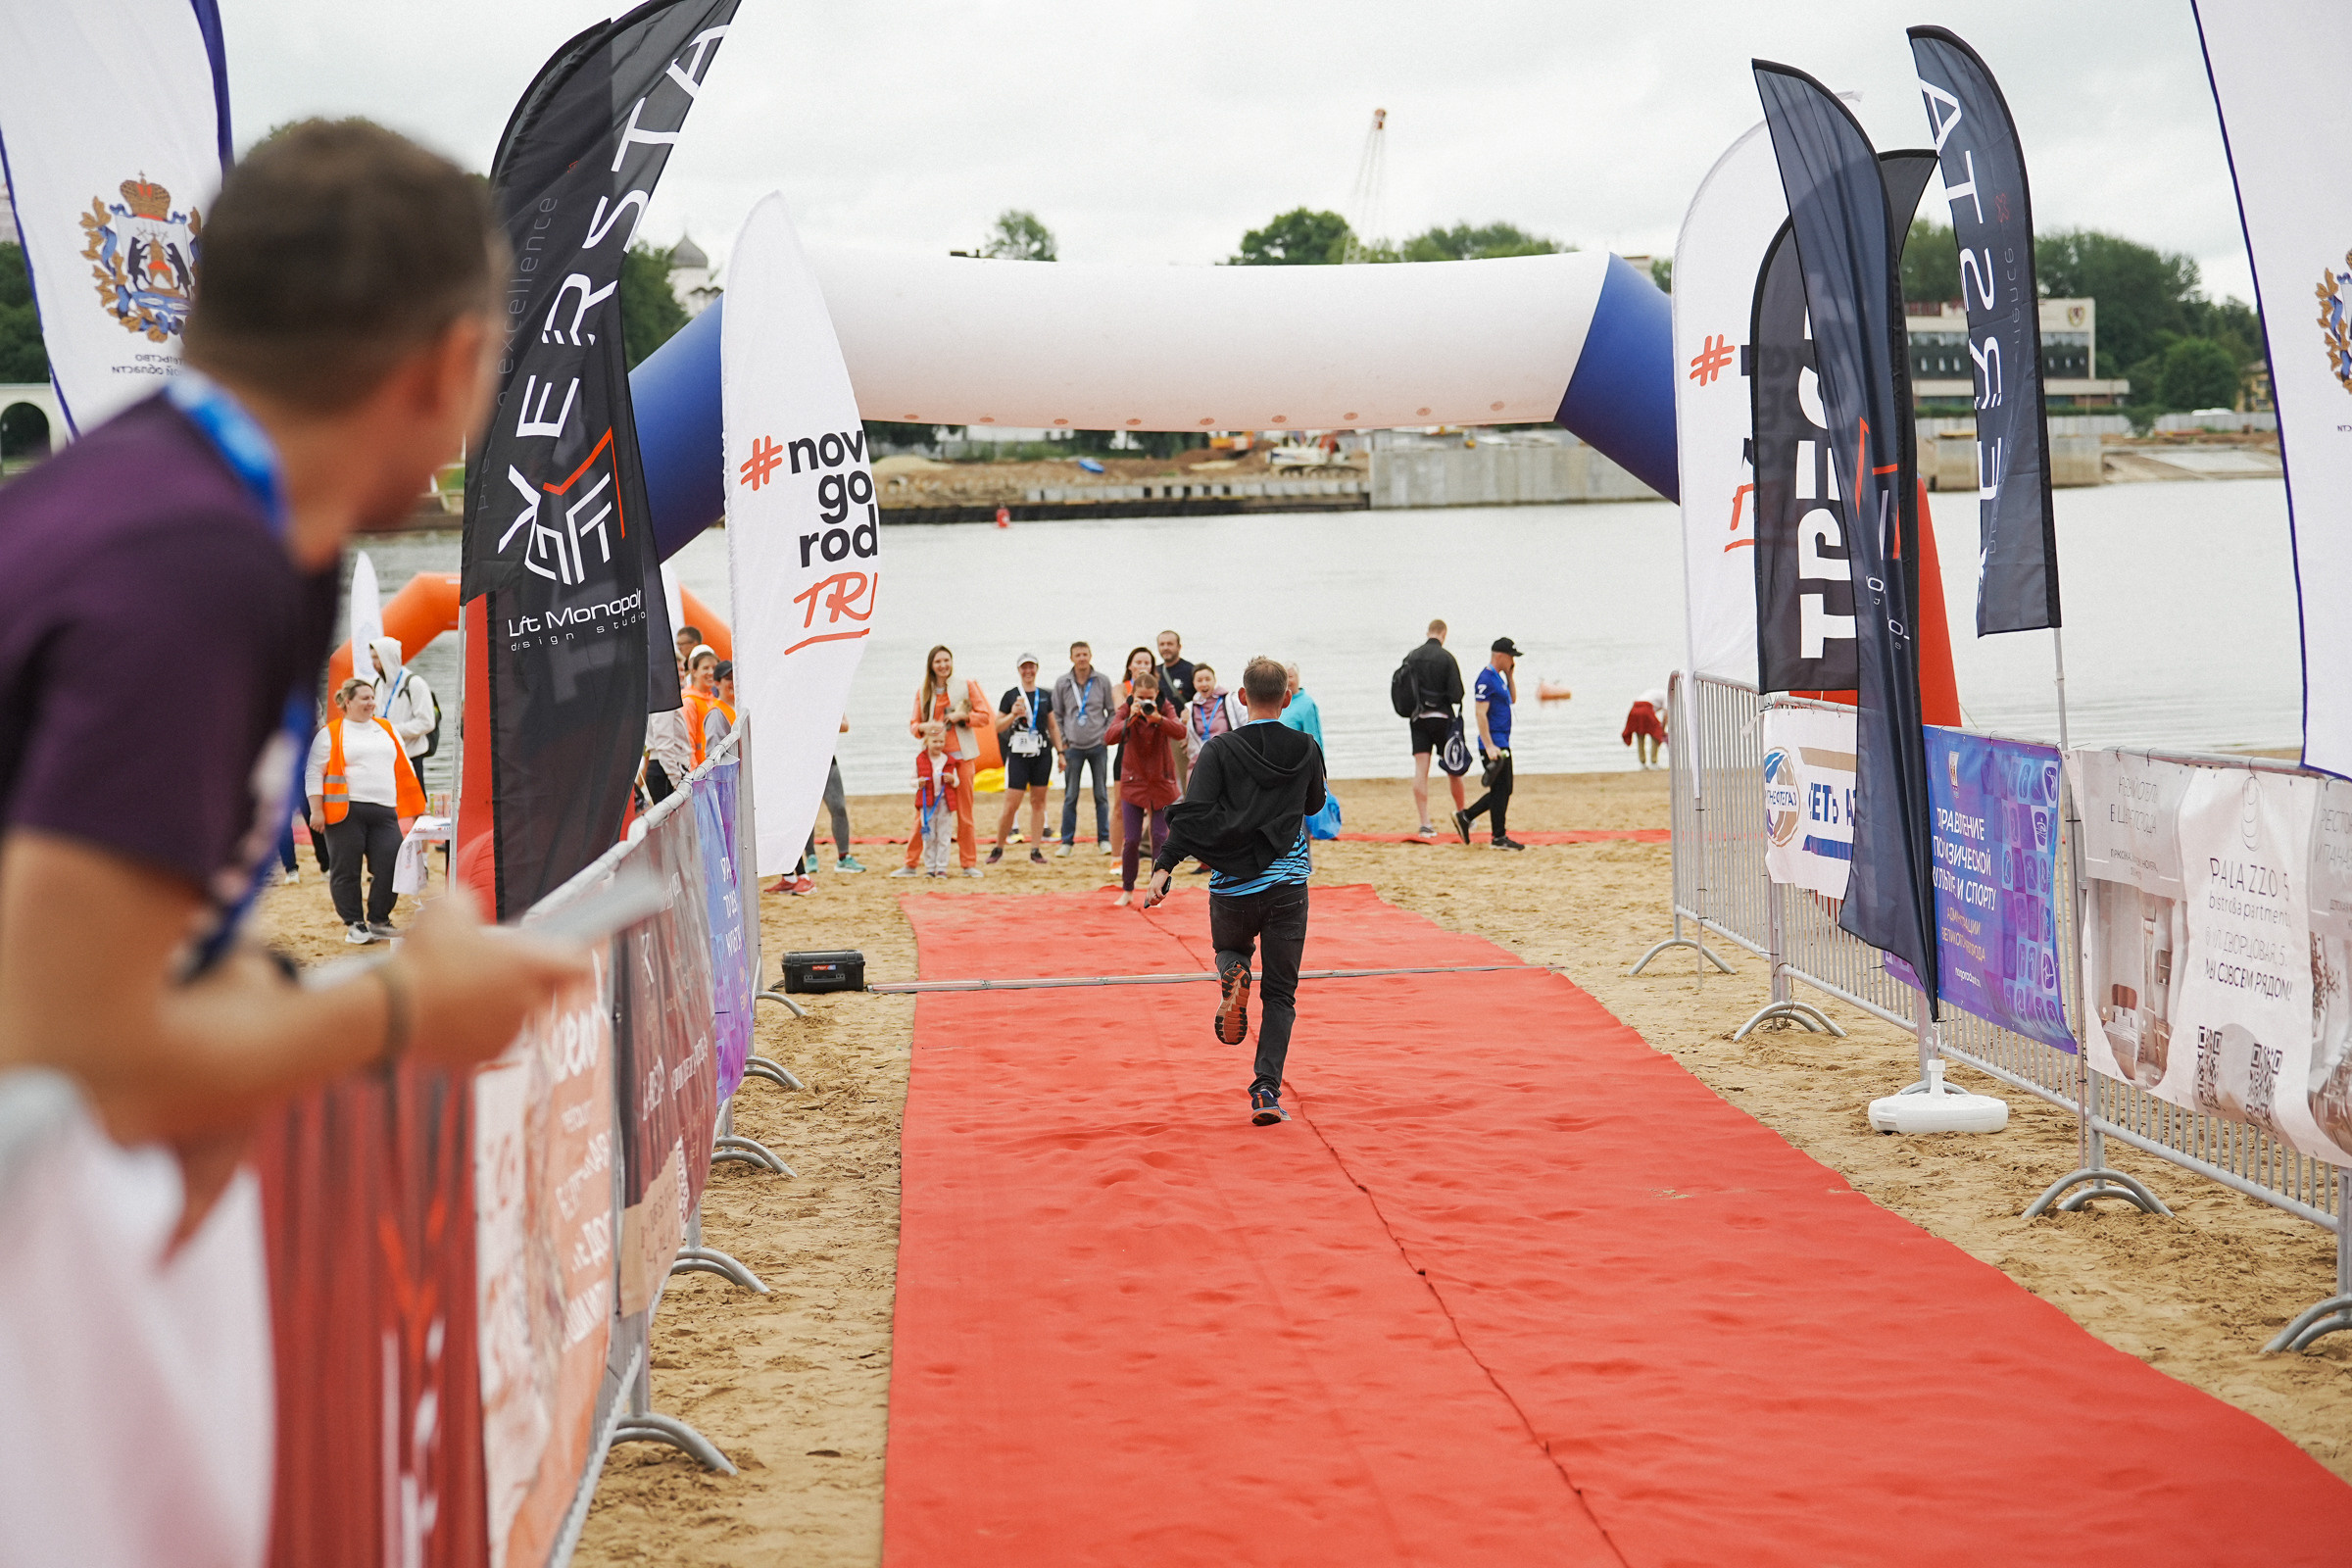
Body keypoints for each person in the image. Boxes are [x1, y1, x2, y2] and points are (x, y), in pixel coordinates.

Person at [0, 122, 587, 1561]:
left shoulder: (175, 503)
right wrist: (400, 1009)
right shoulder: (193, 565)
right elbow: (62, 1047)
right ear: (448, 366)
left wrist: (238, 991)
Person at [1147, 657, 1326, 1126]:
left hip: (1232, 886)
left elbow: (1196, 810)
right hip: (1288, 884)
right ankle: (1266, 1091)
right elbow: (1314, 803)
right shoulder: (1305, 747)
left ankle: (1234, 973)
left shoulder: (1220, 748)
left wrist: (1163, 866)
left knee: (1229, 947)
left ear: (1242, 698)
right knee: (1282, 995)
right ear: (1287, 699)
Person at [306, 676, 426, 943]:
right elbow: (313, 772)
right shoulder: (331, 732)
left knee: (391, 863)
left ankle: (379, 919)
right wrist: (316, 810)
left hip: (384, 810)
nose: (371, 702)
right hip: (345, 811)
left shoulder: (386, 728)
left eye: (373, 697)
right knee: (346, 869)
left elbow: (405, 767)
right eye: (365, 698)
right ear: (347, 702)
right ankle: (355, 924)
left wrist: (419, 806)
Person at [1106, 655, 1187, 906]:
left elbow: (1181, 731)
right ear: (1134, 695)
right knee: (1131, 840)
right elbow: (1108, 736)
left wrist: (1159, 719)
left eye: (1149, 697)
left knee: (1159, 838)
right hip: (1134, 781)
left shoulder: (1164, 707)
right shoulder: (1127, 707)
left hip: (1161, 782)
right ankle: (1128, 889)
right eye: (1141, 697)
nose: (1145, 702)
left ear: (1157, 693)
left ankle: (1156, 892)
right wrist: (1130, 717)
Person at [905, 644, 984, 876]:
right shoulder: (923, 690)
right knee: (924, 812)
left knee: (965, 813)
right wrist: (924, 727)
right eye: (938, 661)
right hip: (933, 759)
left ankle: (968, 864)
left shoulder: (966, 686)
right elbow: (913, 726)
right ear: (931, 665)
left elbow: (984, 717)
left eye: (946, 660)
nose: (943, 665)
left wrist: (963, 716)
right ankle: (911, 863)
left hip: (961, 757)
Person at [1455, 637, 1524, 851]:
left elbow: (1512, 699)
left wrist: (1510, 676)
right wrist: (1489, 745)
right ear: (1500, 656)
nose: (1513, 660)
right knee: (1501, 789)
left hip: (1502, 740)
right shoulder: (1485, 678)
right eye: (1511, 656)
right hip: (1493, 743)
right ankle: (1497, 836)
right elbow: (1480, 713)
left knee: (1503, 789)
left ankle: (1466, 817)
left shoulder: (1499, 678)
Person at [1400, 618, 1467, 838]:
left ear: (1428, 632)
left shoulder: (1411, 657)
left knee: (1421, 769)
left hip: (1418, 719)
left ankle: (1425, 822)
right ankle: (1462, 814)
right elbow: (1457, 694)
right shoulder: (1447, 658)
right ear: (1444, 634)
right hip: (1443, 719)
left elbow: (1403, 689)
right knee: (1453, 768)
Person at [992, 653, 1059, 865]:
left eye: (1032, 667)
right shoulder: (1011, 695)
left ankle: (1036, 850)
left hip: (1041, 754)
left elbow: (1053, 726)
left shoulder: (1045, 695)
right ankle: (998, 847)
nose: (1028, 671)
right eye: (1024, 668)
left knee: (1038, 803)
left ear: (1037, 669)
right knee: (1011, 804)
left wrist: (1062, 752)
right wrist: (1012, 714)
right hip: (1019, 755)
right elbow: (997, 726)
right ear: (1019, 670)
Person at [1053, 640, 1112, 858]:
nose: (1082, 658)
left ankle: (1104, 840)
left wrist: (1105, 736)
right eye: (1077, 655)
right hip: (1072, 748)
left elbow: (1111, 711)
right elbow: (1056, 716)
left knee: (1101, 794)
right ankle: (1067, 842)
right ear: (1071, 658)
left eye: (1085, 654)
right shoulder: (1062, 683)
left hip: (1098, 746)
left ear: (1090, 655)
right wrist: (1063, 741)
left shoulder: (1102, 681)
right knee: (1070, 795)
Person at [893, 721, 961, 878]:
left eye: (941, 741)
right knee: (929, 836)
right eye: (935, 741)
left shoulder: (948, 760)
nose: (938, 745)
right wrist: (919, 783)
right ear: (927, 742)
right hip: (927, 803)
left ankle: (942, 868)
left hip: (944, 802)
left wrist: (951, 779)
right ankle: (930, 868)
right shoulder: (920, 760)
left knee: (944, 836)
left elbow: (957, 781)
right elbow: (912, 781)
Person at [368, 635, 435, 765]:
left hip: (411, 756)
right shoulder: (377, 683)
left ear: (388, 657)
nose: (373, 663)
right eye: (372, 658)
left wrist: (392, 729)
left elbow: (427, 722)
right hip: (385, 756)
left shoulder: (414, 683)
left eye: (376, 657)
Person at [642, 657, 694, 805]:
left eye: (683, 669)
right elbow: (663, 742)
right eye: (677, 670)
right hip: (665, 771)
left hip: (666, 769)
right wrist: (676, 780)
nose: (682, 674)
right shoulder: (664, 698)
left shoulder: (664, 697)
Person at [1156, 629, 1197, 787]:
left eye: (1170, 644)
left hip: (1181, 734)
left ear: (1179, 647)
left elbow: (1200, 701)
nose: (1165, 647)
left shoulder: (1190, 670)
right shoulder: (1155, 672)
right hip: (1159, 733)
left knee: (1186, 779)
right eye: (1162, 644)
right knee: (1162, 782)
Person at [1279, 662, 1326, 750]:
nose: (1287, 681)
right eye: (1284, 678)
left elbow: (1314, 738)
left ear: (1298, 678)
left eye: (1290, 677)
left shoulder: (1307, 704)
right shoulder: (1277, 702)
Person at [701, 659, 738, 760]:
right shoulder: (716, 713)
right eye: (728, 678)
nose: (732, 682)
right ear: (717, 683)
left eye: (734, 677)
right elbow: (714, 753)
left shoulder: (739, 707)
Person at [1623, 686, 1668, 768]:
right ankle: (1654, 762)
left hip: (1634, 708)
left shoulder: (1655, 692)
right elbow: (1666, 715)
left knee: (1640, 734)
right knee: (1657, 734)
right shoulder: (1666, 696)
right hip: (1645, 708)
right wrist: (1663, 729)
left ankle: (1642, 763)